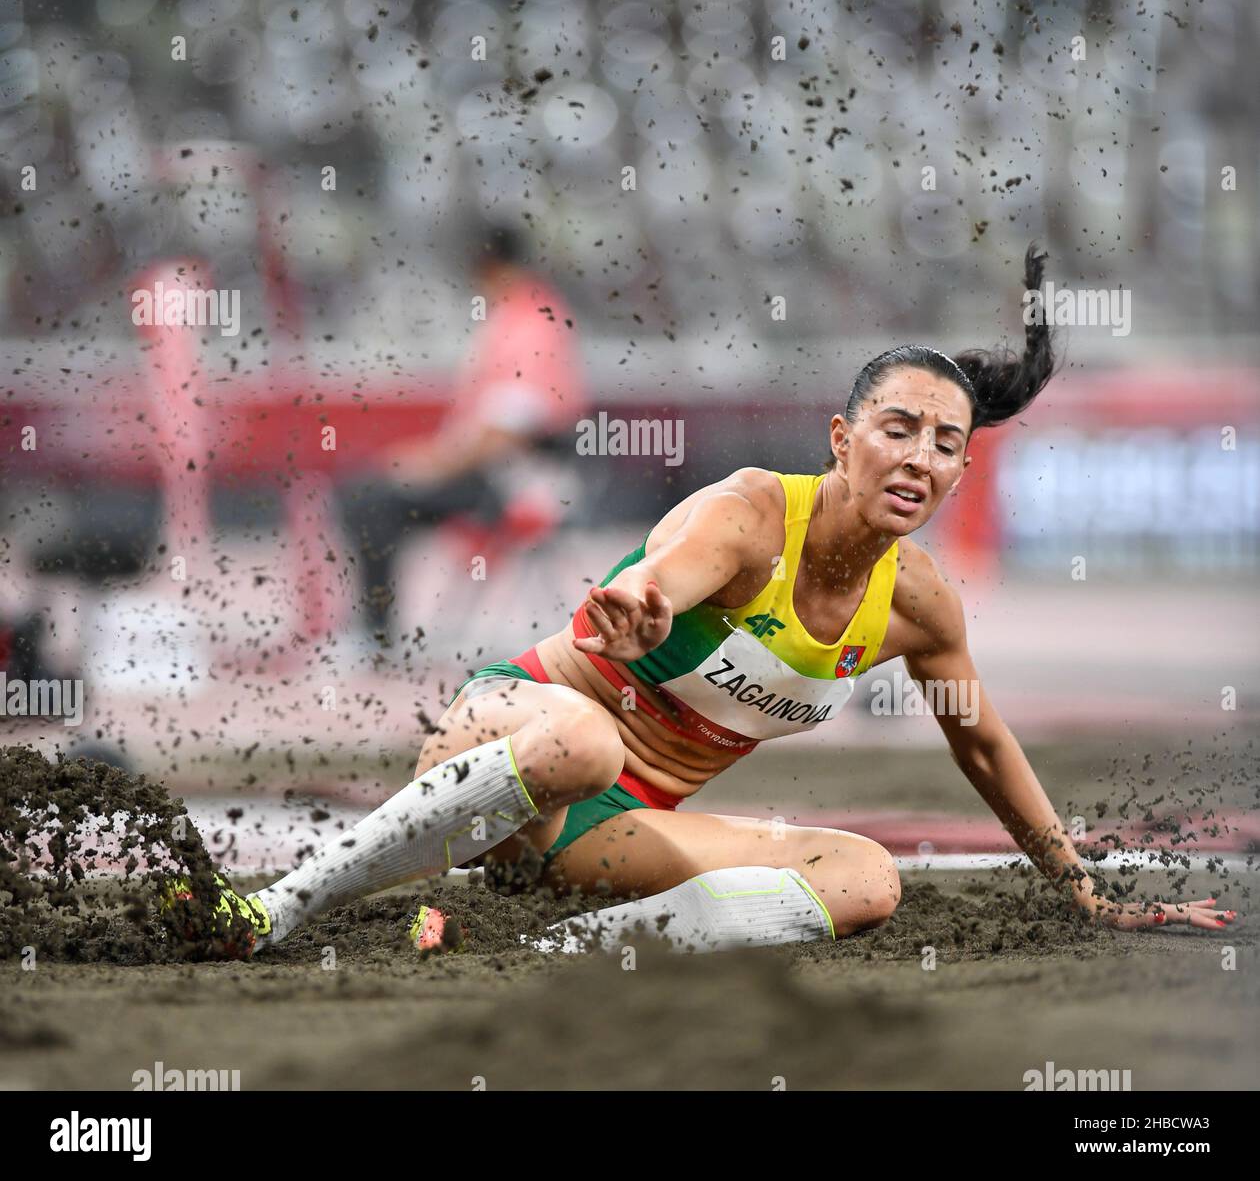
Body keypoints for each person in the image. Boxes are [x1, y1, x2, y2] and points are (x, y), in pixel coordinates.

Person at [183, 246, 1237, 956]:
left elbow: (985, 749)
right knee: (591, 744)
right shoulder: (744, 517)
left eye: (946, 443)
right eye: (897, 427)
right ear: (841, 437)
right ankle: (275, 906)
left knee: (867, 877)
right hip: (510, 737)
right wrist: (638, 602)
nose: (919, 456)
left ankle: (547, 945)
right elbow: (655, 577)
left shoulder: (919, 607)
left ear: (963, 472)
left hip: (612, 834)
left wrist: (1084, 888)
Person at [337, 222, 587, 643]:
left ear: (489, 268)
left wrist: (434, 466)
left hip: (509, 482)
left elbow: (506, 431)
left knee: (371, 501)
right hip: (498, 471)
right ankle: (374, 629)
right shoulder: (524, 316)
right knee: (370, 491)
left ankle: (375, 634)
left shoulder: (529, 326)